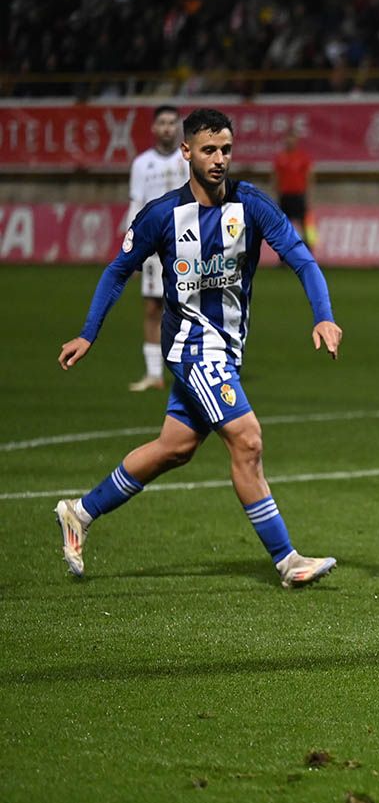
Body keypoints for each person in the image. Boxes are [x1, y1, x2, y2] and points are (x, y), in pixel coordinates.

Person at [55, 108, 342, 589]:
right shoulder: (162, 215)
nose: (219, 159)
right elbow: (117, 270)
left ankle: (79, 512)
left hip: (226, 349)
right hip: (192, 349)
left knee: (175, 448)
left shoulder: (251, 205)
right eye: (209, 150)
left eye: (225, 149)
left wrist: (324, 315)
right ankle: (288, 560)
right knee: (247, 440)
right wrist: (89, 332)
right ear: (187, 152)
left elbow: (301, 258)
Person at [127, 105, 189, 392]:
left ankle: (190, 371)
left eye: (172, 122)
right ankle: (154, 375)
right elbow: (136, 204)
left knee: (189, 308)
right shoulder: (142, 164)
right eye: (162, 122)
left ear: (178, 127)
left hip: (187, 244)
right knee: (153, 308)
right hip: (153, 246)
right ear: (154, 128)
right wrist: (131, 247)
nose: (167, 128)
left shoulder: (188, 159)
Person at [273, 130, 314, 249]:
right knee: (283, 225)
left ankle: (308, 250)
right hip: (285, 196)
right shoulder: (280, 158)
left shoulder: (302, 157)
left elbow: (309, 176)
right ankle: (284, 252)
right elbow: (275, 177)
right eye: (288, 139)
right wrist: (276, 193)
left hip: (299, 195)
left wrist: (309, 195)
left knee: (304, 224)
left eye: (292, 139)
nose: (290, 142)